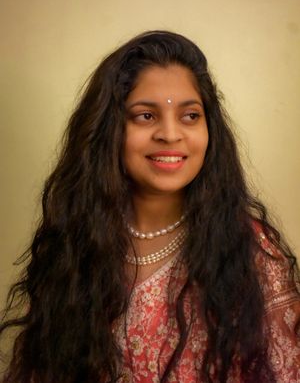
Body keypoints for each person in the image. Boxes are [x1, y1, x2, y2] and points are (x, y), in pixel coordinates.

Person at [0, 31, 299, 383]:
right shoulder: (74, 244)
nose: (170, 134)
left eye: (190, 116)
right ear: (108, 130)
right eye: (145, 116)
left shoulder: (250, 250)